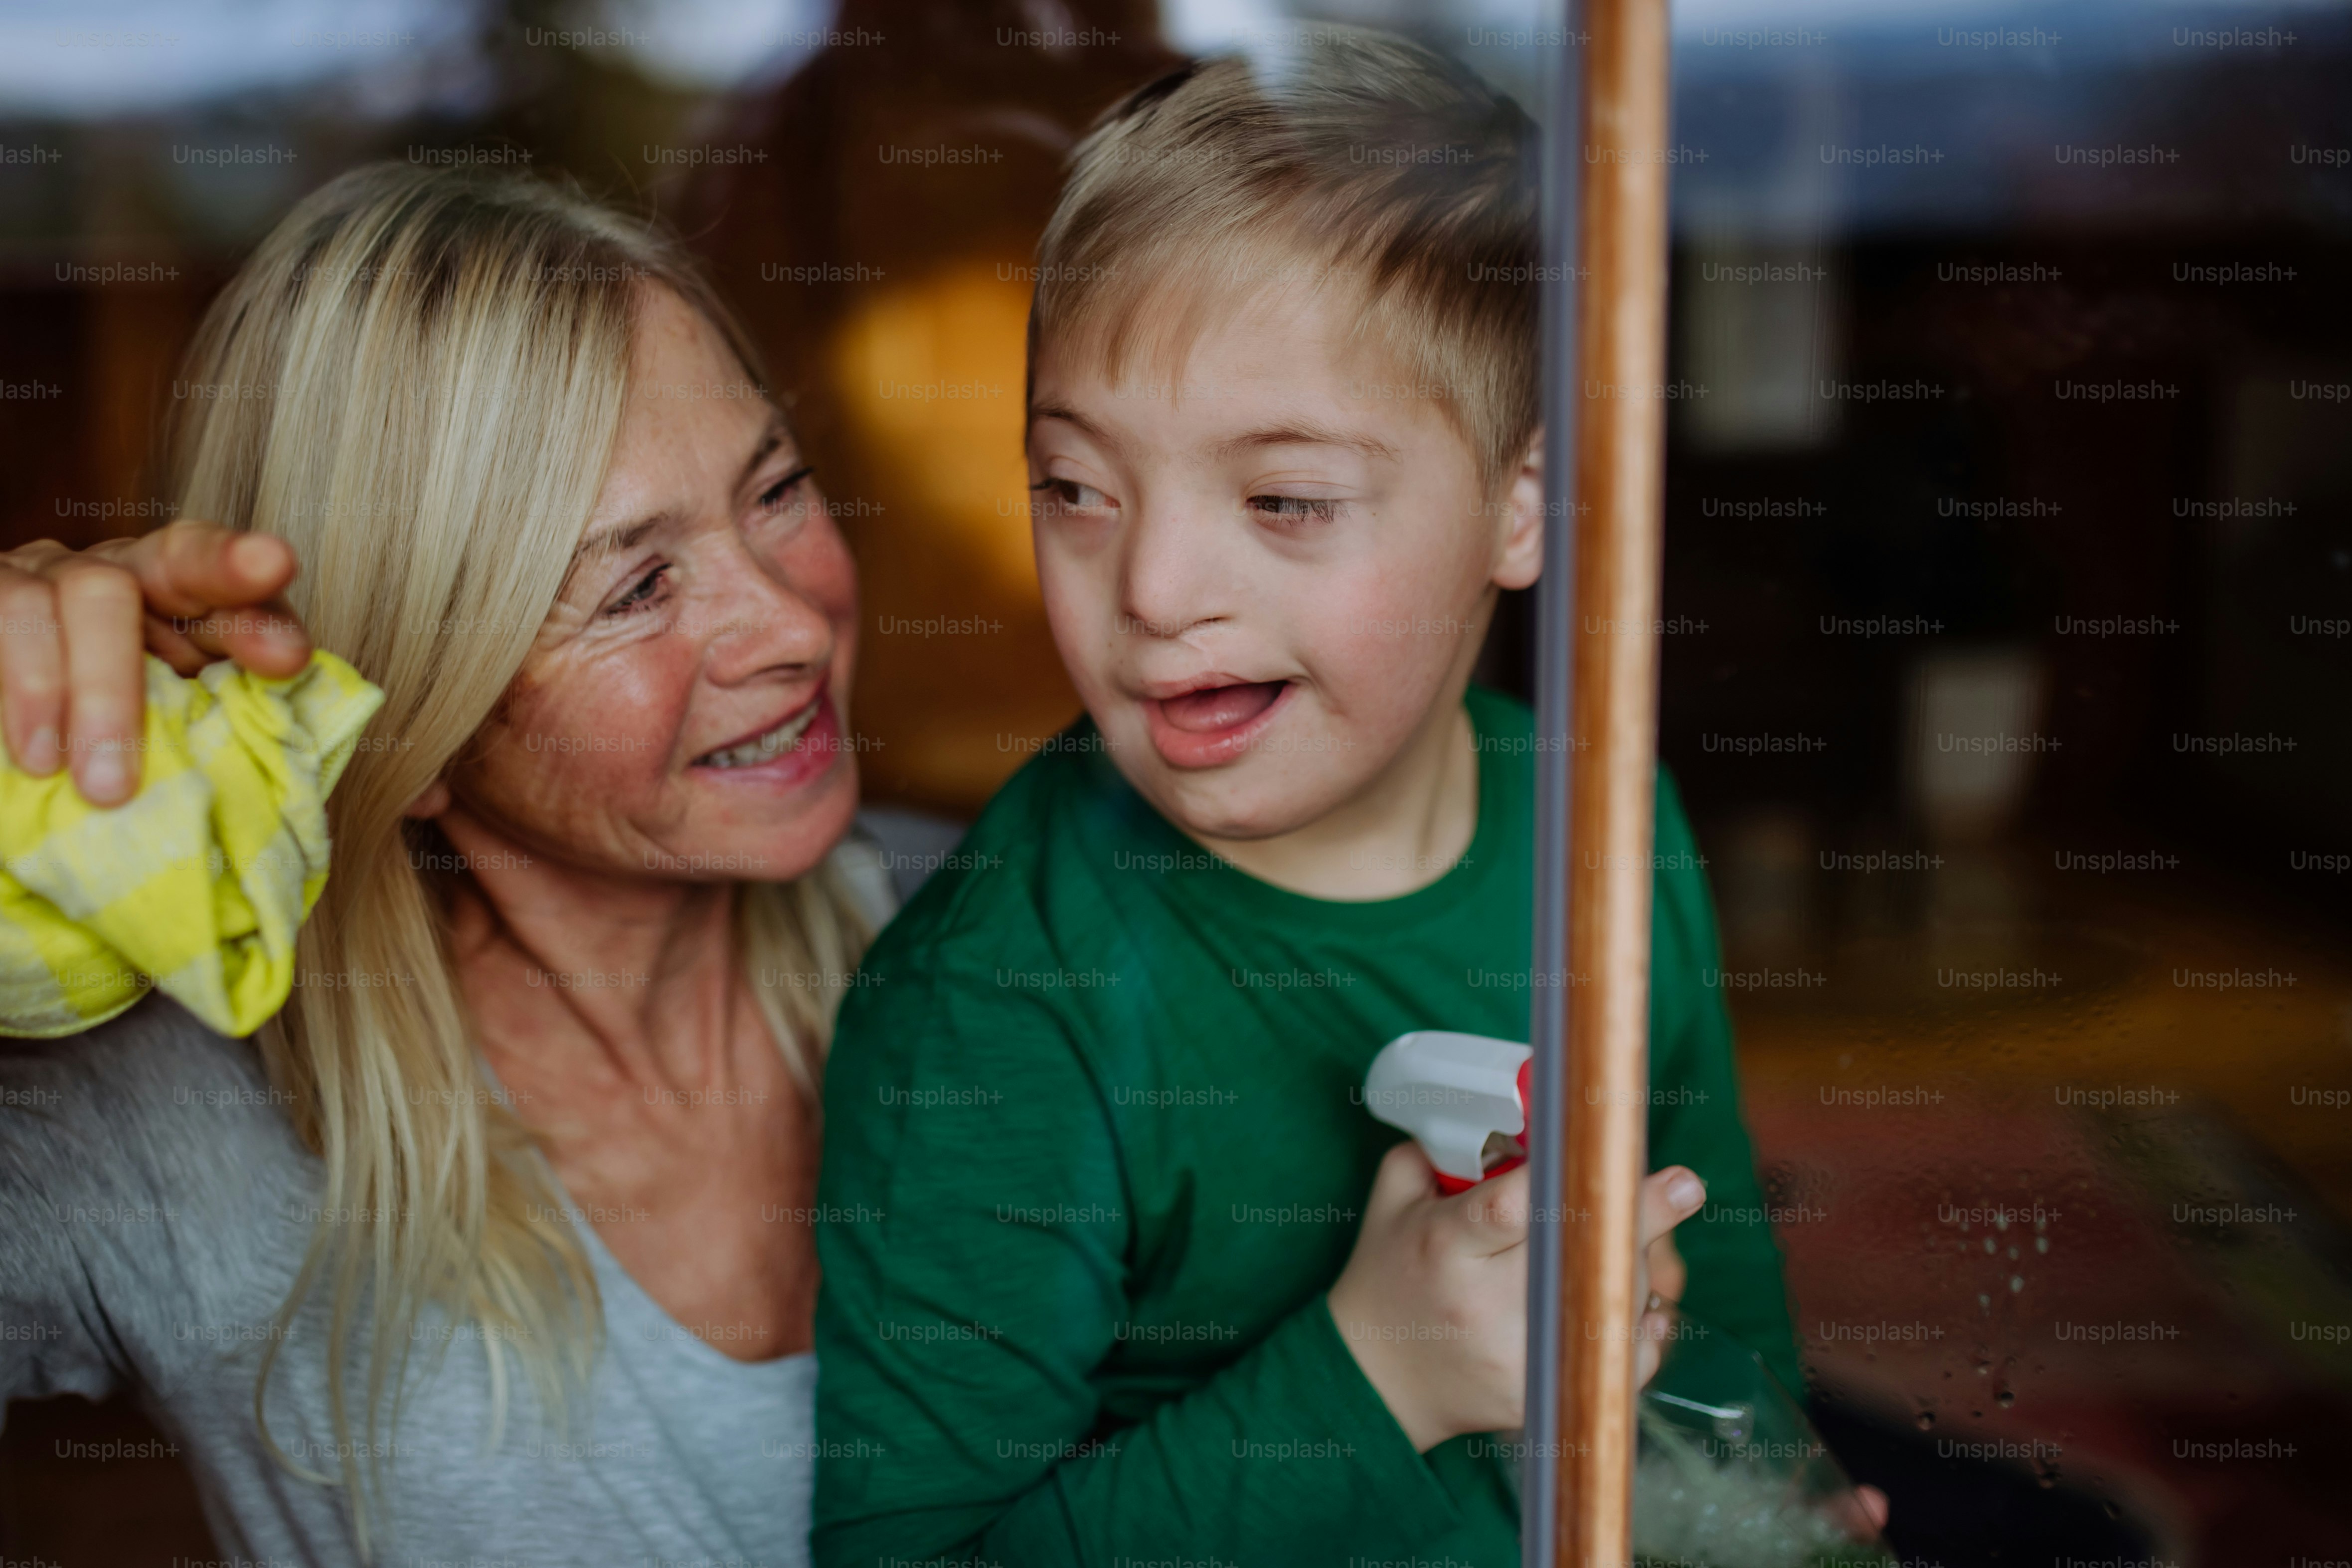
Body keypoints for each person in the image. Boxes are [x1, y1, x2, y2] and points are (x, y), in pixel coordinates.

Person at [812, 30, 1803, 1566]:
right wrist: (1384, 1367)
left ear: (1524, 502)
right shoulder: (995, 1001)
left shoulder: (1602, 819)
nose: (1150, 588)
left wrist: (1767, 1509)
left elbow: (1710, 1251)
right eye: (1077, 488)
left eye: (1283, 500)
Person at [0, 163, 941, 1564]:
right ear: (410, 730)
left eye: (776, 488)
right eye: (636, 586)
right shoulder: (184, 1133)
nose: (788, 623)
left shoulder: (1007, 927)